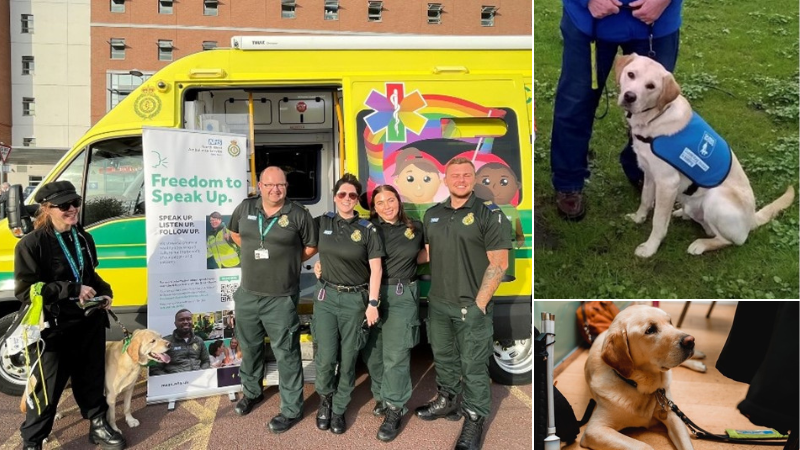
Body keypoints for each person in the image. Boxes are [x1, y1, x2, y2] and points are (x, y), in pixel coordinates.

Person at [14, 180, 125, 450]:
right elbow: (27, 292)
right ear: (47, 209)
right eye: (64, 205)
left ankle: (98, 424)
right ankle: (33, 440)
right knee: (46, 387)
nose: (73, 209)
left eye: (75, 202)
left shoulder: (82, 237)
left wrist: (104, 291)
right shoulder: (32, 244)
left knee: (91, 376)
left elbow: (89, 275)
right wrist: (70, 289)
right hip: (52, 327)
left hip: (88, 321)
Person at [550, 0, 683, 220]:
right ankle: (568, 181)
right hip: (589, 20)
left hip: (655, 20)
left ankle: (643, 171)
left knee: (654, 109)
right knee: (576, 102)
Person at [315, 184, 427, 442]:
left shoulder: (415, 228)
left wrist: (411, 262)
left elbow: (427, 253)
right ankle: (381, 397)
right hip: (369, 294)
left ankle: (395, 408)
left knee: (396, 355)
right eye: (380, 202)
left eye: (391, 200)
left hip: (399, 294)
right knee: (372, 352)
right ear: (373, 207)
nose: (387, 206)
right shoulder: (369, 228)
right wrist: (323, 265)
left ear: (399, 201)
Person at [416, 157, 511, 450]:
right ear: (445, 179)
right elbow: (427, 254)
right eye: (454, 175)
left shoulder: (490, 215)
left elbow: (499, 263)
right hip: (440, 304)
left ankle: (474, 418)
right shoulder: (432, 214)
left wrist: (479, 305)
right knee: (443, 358)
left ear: (474, 179)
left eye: (466, 175)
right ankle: (448, 400)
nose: (460, 179)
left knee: (473, 366)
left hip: (472, 305)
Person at [227, 166, 318, 434]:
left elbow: (311, 246)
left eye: (280, 185)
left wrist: (289, 260)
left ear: (286, 186)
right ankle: (252, 392)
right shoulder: (245, 208)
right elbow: (234, 233)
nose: (274, 190)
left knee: (286, 353)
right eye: (269, 185)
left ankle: (291, 409)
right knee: (250, 347)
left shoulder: (298, 214)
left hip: (281, 297)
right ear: (260, 185)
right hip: (248, 294)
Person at [313, 173, 383, 435]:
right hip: (327, 297)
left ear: (357, 200)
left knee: (349, 356)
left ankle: (340, 408)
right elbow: (301, 245)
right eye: (342, 194)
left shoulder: (367, 229)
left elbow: (376, 270)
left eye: (352, 195)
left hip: (356, 299)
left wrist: (373, 303)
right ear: (334, 197)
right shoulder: (322, 222)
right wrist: (318, 266)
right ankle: (326, 400)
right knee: (326, 357)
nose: (346, 199)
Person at [149, 309, 211, 375]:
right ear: (175, 323)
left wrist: (201, 373)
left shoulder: (199, 340)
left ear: (192, 321)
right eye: (181, 320)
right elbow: (155, 368)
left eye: (188, 319)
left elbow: (206, 361)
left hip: (197, 379)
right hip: (175, 381)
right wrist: (169, 379)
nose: (186, 322)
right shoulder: (165, 342)